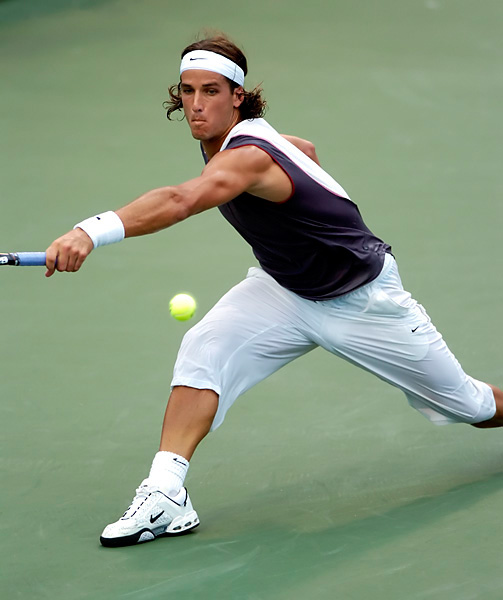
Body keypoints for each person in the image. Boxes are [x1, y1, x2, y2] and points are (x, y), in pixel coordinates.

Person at [45, 34, 503, 548]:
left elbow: (180, 198)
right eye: (188, 90)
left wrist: (91, 230)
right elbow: (303, 150)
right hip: (282, 290)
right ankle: (165, 493)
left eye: (212, 91)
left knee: (473, 406)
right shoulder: (244, 141)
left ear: (237, 95)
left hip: (364, 303)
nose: (197, 105)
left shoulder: (248, 156)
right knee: (204, 349)